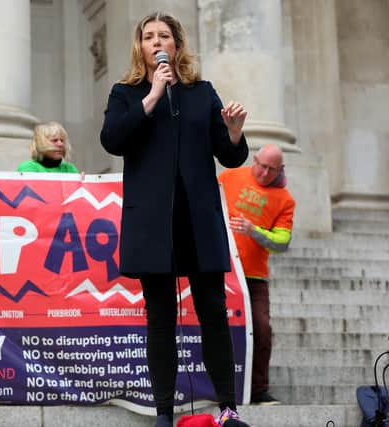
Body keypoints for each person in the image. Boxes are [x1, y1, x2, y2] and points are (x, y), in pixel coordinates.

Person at [100, 12, 249, 427]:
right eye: (148, 37)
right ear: (140, 47)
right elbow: (112, 139)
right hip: (153, 223)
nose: (156, 42)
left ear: (177, 45)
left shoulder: (202, 93)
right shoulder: (125, 93)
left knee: (213, 314)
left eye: (164, 36)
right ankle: (164, 411)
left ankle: (227, 408)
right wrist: (151, 97)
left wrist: (234, 132)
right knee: (160, 318)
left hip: (197, 219)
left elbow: (230, 154)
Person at [218, 144, 295, 406]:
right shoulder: (229, 177)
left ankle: (258, 390)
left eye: (271, 169)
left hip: (254, 277)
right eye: (260, 165)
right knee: (214, 328)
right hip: (221, 269)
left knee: (262, 329)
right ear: (254, 159)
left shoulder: (285, 200)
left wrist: (255, 231)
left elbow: (283, 242)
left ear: (280, 170)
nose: (263, 173)